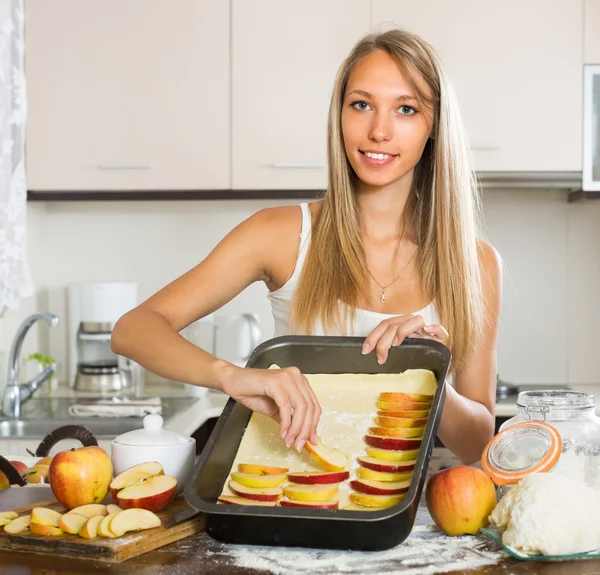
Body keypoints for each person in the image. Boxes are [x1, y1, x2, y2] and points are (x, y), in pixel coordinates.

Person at [111, 28, 501, 465]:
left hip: (391, 514)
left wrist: (432, 371)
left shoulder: (475, 263)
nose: (378, 130)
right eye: (361, 104)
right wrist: (232, 377)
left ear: (434, 127)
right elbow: (133, 330)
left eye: (406, 109)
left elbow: (477, 445)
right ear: (340, 116)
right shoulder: (281, 233)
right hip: (278, 498)